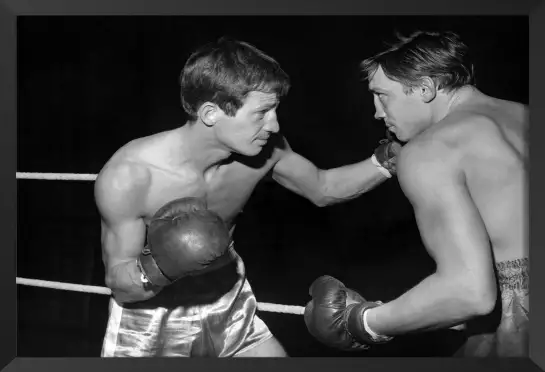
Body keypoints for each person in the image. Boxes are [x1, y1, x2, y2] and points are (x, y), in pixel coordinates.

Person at [94, 37, 401, 358]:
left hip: (229, 300)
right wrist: (159, 266)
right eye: (262, 112)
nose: (274, 124)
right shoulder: (131, 176)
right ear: (211, 113)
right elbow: (120, 285)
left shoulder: (266, 150)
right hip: (153, 318)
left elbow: (322, 187)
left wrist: (386, 161)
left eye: (275, 110)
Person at [304, 30, 529, 357]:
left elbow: (469, 292)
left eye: (383, 95)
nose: (378, 112)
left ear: (424, 89)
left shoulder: (431, 149)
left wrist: (364, 322)